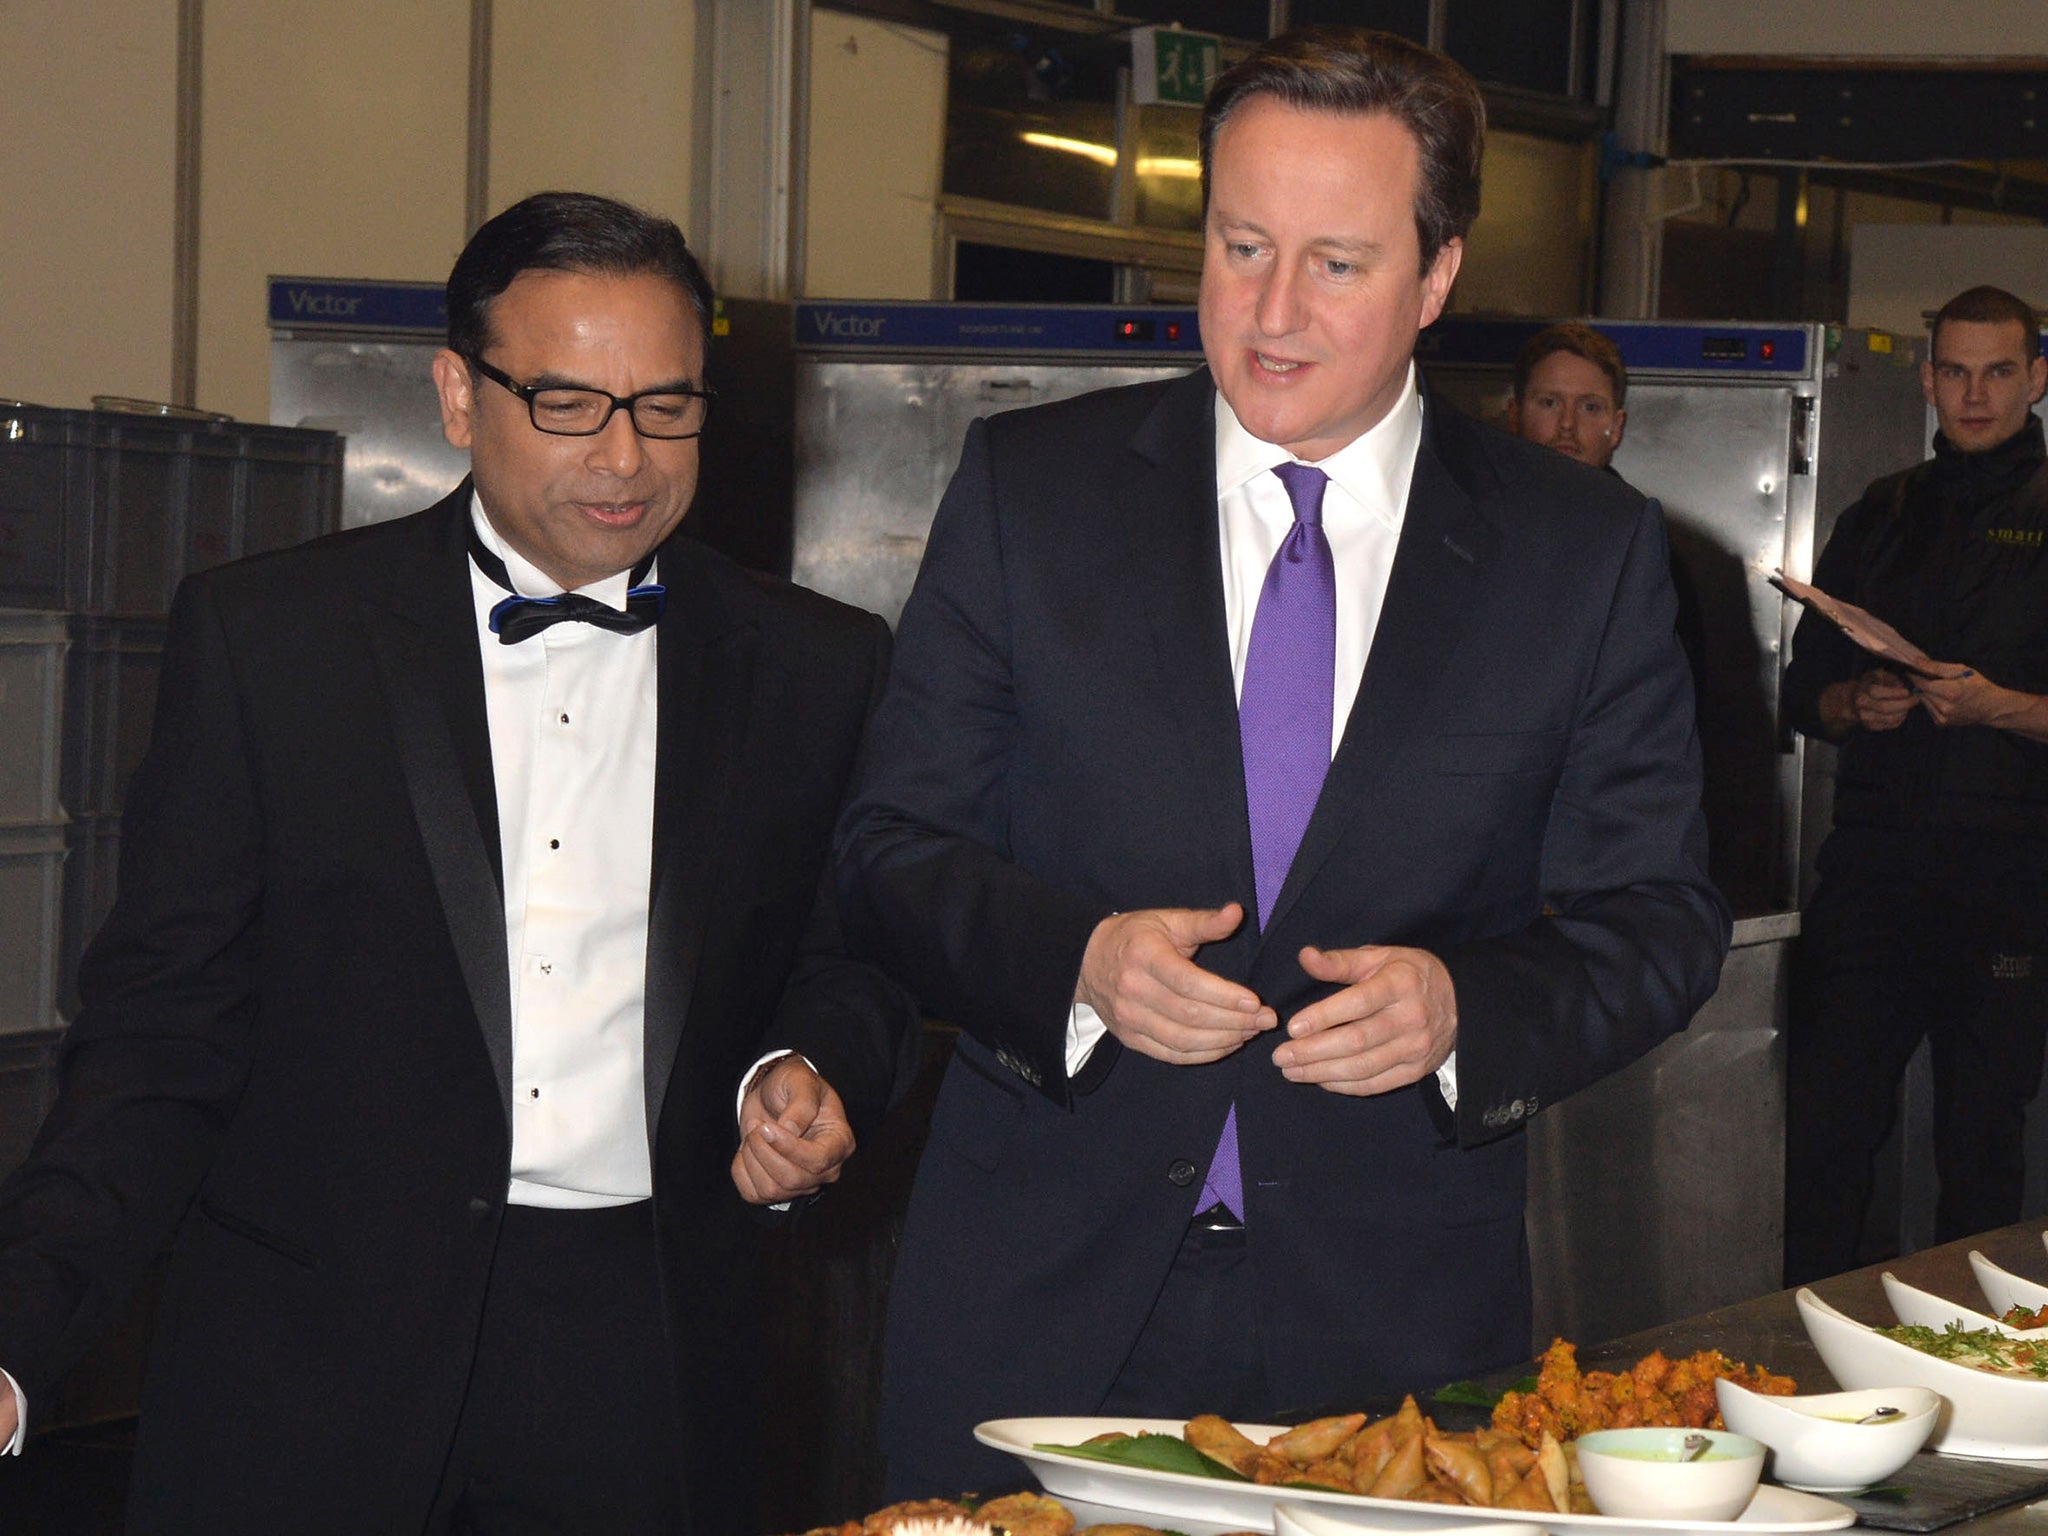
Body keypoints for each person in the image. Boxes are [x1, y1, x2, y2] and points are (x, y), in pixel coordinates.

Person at [836, 26, 1730, 1497]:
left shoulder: (1581, 557)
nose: (1271, 312)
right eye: (1243, 247)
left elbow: (1662, 919)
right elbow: (887, 849)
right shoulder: (1032, 495)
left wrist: (1465, 1010)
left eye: (1338, 262)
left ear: (1438, 277)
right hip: (1036, 1301)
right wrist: (1076, 963)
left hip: (1388, 1329)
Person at [0, 191, 917, 1533]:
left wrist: (807, 1067)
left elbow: (857, 952)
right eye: (567, 403)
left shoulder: (816, 664)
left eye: (667, 406)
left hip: (644, 1360)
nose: (625, 456)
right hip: (307, 1361)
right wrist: (21, 1331)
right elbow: (159, 1034)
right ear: (456, 394)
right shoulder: (274, 642)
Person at [1782, 283, 2048, 1286]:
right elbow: (1803, 695)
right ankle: (1801, 1358)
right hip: (1872, 875)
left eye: (1995, 372)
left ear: (2034, 378)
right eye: (1953, 371)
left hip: (2007, 882)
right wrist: (1854, 701)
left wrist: (1999, 709)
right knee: (1824, 1130)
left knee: (1978, 1149)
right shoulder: (1879, 512)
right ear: (1927, 378)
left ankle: (1969, 1381)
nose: (1972, 395)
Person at [1506, 322, 1708, 691]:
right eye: (1549, 403)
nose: (1567, 425)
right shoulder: (1474, 533)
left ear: (1616, 427)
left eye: (1589, 407)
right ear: (1515, 413)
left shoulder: (1646, 549)